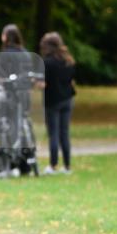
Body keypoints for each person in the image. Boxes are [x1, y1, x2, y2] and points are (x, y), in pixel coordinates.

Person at [40, 31, 75, 175]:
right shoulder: (69, 61)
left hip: (53, 101)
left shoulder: (47, 62)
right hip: (68, 99)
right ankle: (67, 166)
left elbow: (43, 83)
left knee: (53, 134)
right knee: (64, 133)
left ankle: (53, 165)